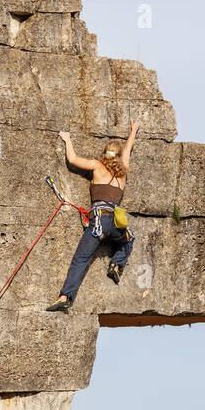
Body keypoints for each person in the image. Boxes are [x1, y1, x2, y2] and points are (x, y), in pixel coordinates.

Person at [47, 120, 140, 313]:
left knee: (80, 259)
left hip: (99, 221)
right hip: (116, 224)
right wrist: (134, 130)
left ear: (104, 153)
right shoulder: (123, 171)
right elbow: (128, 149)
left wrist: (67, 140)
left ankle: (65, 297)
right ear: (120, 155)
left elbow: (72, 160)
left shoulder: (97, 166)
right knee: (128, 240)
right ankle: (116, 263)